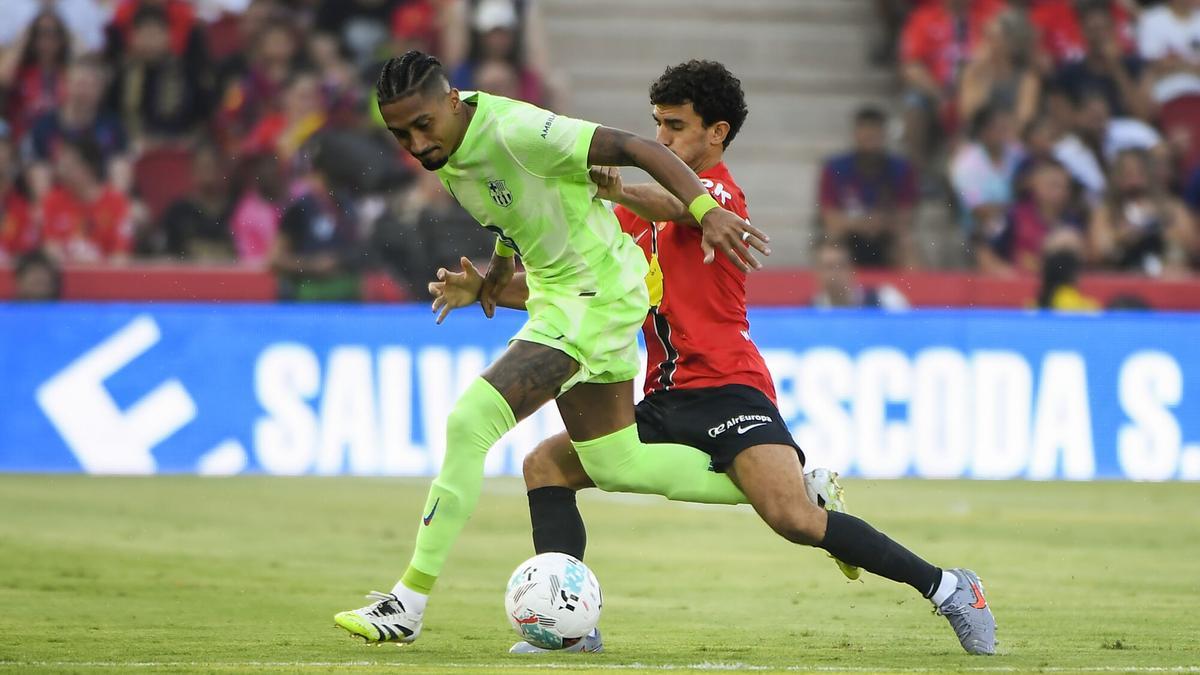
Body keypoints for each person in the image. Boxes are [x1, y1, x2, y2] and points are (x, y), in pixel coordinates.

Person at [429, 60, 992, 657]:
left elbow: (678, 207)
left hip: (729, 390)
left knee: (793, 520)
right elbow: (574, 288)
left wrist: (621, 185)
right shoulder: (628, 222)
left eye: (675, 126)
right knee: (545, 465)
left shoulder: (718, 195)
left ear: (716, 132)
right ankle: (571, 625)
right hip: (663, 396)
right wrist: (489, 289)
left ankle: (950, 587)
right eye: (657, 125)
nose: (662, 139)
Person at [333, 49, 770, 647]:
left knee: (470, 422)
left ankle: (406, 603)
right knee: (620, 463)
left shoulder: (517, 129)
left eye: (422, 125)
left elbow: (639, 148)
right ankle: (796, 493)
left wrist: (703, 209)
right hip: (576, 295)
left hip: (590, 297)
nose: (413, 142)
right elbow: (511, 214)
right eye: (399, 132)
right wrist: (496, 274)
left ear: (452, 102)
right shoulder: (448, 153)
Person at [818, 106, 919, 268]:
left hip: (885, 237)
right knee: (833, 238)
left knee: (905, 242)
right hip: (850, 236)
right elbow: (830, 219)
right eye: (865, 132)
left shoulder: (901, 169)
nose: (869, 138)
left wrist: (881, 224)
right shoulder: (835, 168)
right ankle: (833, 290)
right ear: (855, 134)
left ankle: (914, 291)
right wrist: (864, 223)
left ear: (884, 135)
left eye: (875, 133)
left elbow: (905, 218)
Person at [811, 238, 909, 310]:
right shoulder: (809, 311)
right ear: (817, 273)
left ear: (852, 270)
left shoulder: (885, 299)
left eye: (841, 266)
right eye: (829, 267)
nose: (835, 274)